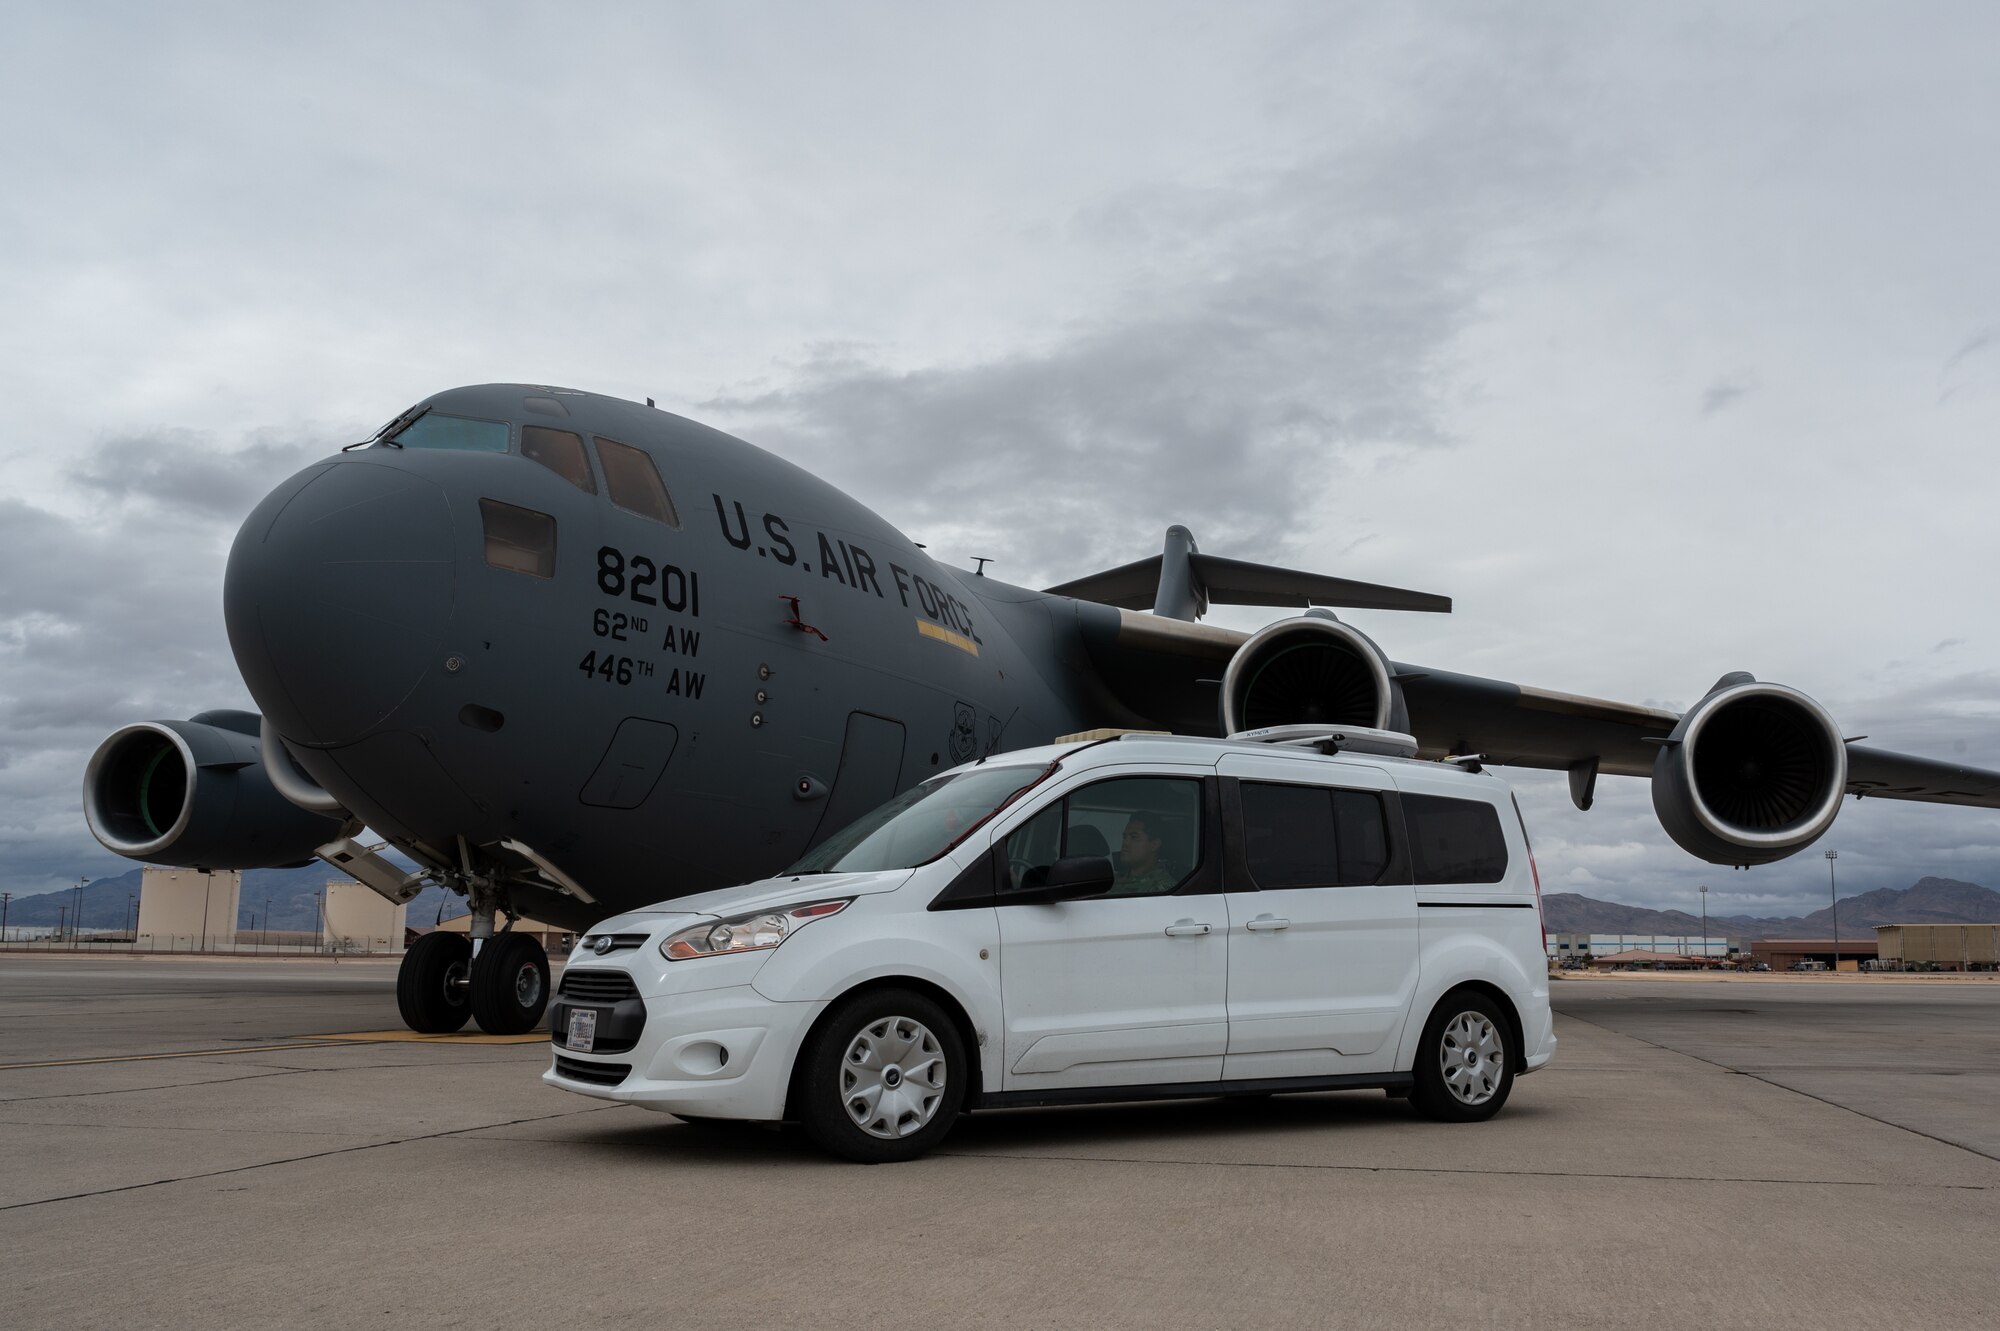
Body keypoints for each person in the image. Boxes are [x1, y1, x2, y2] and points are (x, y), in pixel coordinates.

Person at [1114, 814, 1177, 894]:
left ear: (1154, 844)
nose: (1125, 842)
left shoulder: (1163, 888)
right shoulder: (1114, 879)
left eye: (1134, 837)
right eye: (1124, 837)